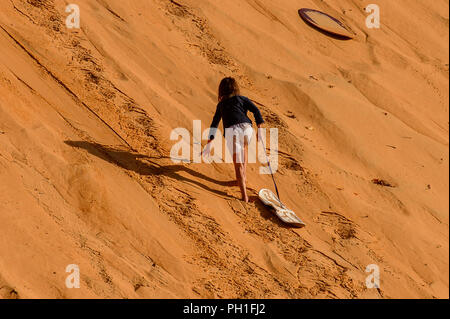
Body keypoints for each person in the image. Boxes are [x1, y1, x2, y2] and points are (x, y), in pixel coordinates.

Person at [204, 77, 265, 203]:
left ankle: (244, 197)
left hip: (233, 132)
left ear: (221, 91)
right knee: (244, 148)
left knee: (238, 166)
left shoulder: (221, 105)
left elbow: (215, 123)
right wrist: (260, 128)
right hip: (247, 129)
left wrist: (210, 141)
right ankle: (243, 178)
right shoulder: (242, 99)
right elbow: (256, 110)